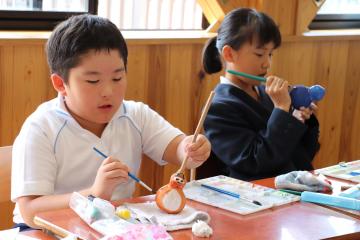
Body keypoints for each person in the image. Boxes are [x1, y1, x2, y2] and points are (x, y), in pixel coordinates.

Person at [11, 14, 211, 229]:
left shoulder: (135, 115)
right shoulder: (41, 127)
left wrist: (191, 150)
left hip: (110, 226)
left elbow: (178, 150)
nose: (108, 91)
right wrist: (94, 194)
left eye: (117, 78)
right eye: (93, 81)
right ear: (60, 83)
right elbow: (30, 211)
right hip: (43, 230)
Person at [197, 8, 320, 181]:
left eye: (270, 54)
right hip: (253, 197)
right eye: (260, 54)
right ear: (229, 54)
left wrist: (300, 117)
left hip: (293, 188)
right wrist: (282, 112)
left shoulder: (270, 95)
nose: (267, 64)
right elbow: (255, 163)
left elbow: (303, 155)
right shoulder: (217, 107)